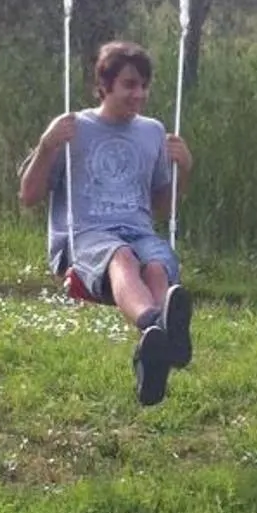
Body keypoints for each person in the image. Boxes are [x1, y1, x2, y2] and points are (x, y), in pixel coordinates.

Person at [18, 39, 194, 405]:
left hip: (139, 231)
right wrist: (46, 146)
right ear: (104, 86)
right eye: (129, 85)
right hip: (87, 236)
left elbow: (163, 208)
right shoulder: (73, 129)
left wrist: (185, 170)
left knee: (157, 265)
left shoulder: (153, 132)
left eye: (144, 85)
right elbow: (28, 196)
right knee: (122, 257)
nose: (139, 94)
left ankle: (157, 346)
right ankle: (155, 326)